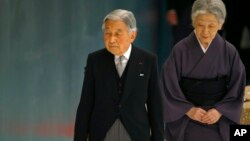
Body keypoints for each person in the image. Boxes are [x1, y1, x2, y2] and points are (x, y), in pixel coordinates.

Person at [161, 0, 246, 141]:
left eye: (211, 26)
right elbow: (168, 87)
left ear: (221, 25)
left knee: (237, 134)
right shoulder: (180, 50)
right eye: (200, 25)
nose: (205, 32)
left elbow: (237, 87)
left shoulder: (229, 51)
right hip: (187, 118)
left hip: (221, 118)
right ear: (193, 22)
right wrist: (188, 110)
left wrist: (220, 111)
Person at [74, 9, 164, 141]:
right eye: (108, 33)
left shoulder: (148, 60)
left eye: (117, 33)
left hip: (137, 133)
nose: (111, 39)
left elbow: (155, 105)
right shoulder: (95, 60)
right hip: (102, 133)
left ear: (132, 35)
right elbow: (85, 105)